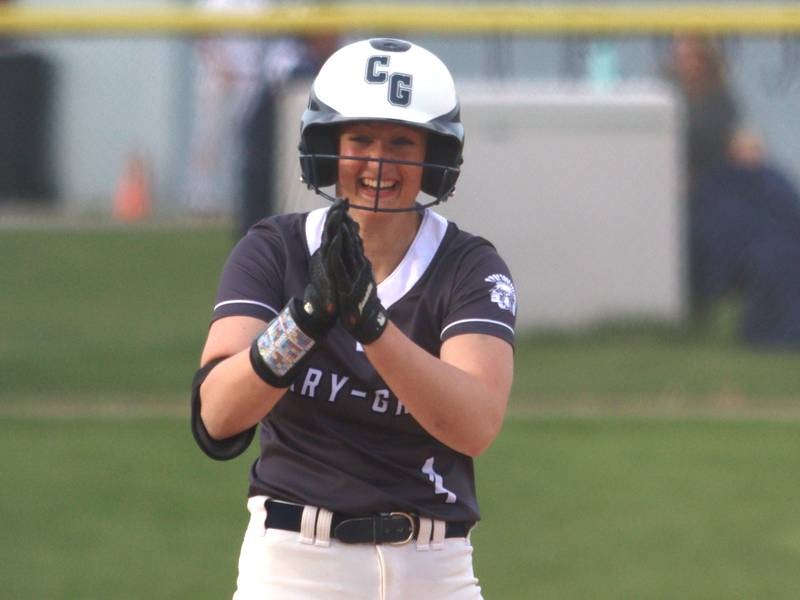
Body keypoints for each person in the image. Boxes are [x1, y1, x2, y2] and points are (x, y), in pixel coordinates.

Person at [191, 38, 517, 598]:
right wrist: (305, 320)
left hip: (433, 565)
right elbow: (217, 418)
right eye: (359, 138)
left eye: (401, 141)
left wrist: (373, 328)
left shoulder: (470, 265)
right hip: (294, 562)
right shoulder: (276, 249)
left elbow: (475, 423)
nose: (379, 161)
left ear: (434, 156)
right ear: (325, 147)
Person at [668, 34, 800, 348]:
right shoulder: (668, 98)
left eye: (692, 54)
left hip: (723, 189)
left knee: (774, 224)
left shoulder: (721, 102)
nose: (686, 61)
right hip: (701, 197)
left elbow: (735, 145)